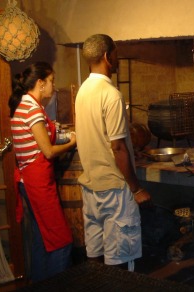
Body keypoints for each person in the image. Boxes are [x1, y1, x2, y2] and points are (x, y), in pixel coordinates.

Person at [75, 34, 151, 271]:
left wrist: (131, 152)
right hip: (115, 191)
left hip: (90, 187)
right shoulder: (112, 95)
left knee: (95, 256)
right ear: (108, 56)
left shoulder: (83, 91)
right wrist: (136, 188)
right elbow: (117, 146)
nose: (118, 59)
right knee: (119, 258)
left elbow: (98, 137)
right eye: (116, 54)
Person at [9, 62, 77, 282]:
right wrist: (72, 142)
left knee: (42, 239)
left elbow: (42, 139)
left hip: (29, 180)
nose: (53, 86)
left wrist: (63, 136)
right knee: (61, 241)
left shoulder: (25, 105)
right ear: (40, 83)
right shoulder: (32, 109)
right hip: (36, 182)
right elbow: (47, 151)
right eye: (51, 81)